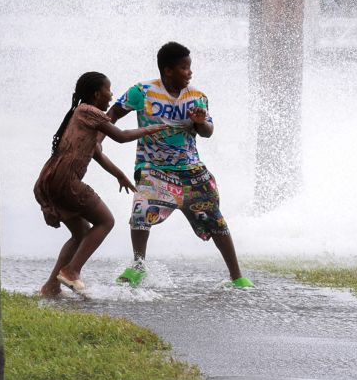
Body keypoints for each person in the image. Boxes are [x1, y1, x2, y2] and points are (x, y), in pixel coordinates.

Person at [109, 41, 253, 288]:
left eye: (190, 68)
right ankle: (138, 267)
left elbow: (208, 132)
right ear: (168, 70)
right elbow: (111, 116)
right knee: (141, 210)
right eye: (185, 68)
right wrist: (96, 140)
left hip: (191, 171)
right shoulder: (141, 91)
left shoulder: (197, 97)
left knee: (216, 221)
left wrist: (199, 122)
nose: (190, 72)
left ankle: (237, 276)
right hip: (153, 168)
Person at [35, 71, 166, 296]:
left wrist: (119, 175)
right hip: (66, 180)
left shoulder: (82, 116)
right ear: (97, 94)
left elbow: (97, 154)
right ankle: (71, 271)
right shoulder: (90, 111)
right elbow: (121, 136)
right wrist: (150, 129)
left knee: (81, 233)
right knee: (106, 221)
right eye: (108, 90)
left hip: (50, 179)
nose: (111, 94)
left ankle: (51, 286)